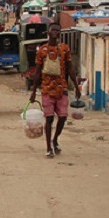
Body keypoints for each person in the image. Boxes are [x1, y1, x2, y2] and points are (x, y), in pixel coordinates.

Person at [29, 22, 80, 157]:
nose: (55, 33)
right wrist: (33, 91)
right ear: (48, 32)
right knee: (49, 119)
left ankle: (55, 139)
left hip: (62, 88)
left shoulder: (64, 49)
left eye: (58, 31)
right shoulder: (42, 50)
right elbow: (38, 71)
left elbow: (70, 68)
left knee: (63, 117)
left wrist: (76, 86)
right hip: (46, 89)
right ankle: (48, 148)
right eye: (53, 30)